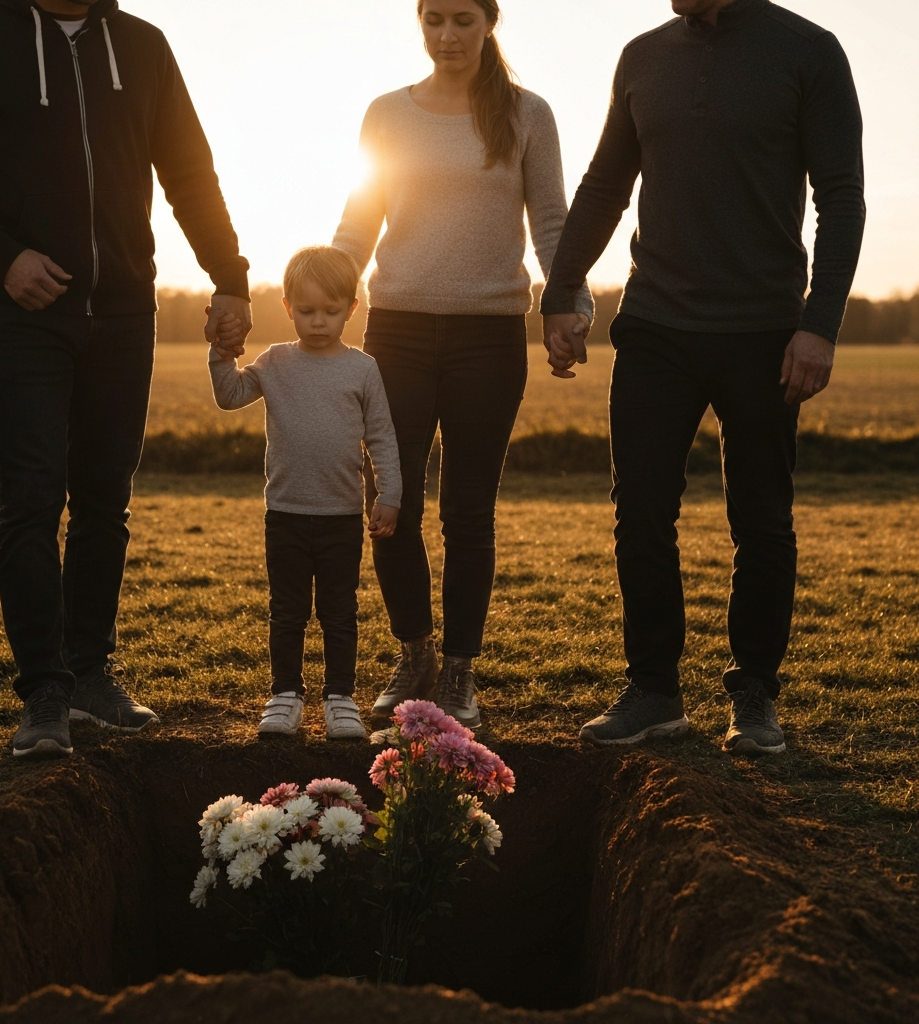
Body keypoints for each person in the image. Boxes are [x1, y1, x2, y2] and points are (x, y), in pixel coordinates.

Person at [0, 0, 252, 759]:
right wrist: (2, 255)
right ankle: (45, 694)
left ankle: (90, 674)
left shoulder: (144, 47)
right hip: (23, 313)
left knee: (105, 502)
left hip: (126, 313)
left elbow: (189, 173)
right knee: (31, 499)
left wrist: (228, 276)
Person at [540, 0, 866, 754]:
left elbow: (840, 196)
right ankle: (652, 689)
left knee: (760, 518)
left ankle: (754, 693)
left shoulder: (809, 52)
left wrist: (820, 323)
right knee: (642, 510)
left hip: (765, 330)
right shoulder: (642, 56)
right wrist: (561, 291)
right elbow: (603, 185)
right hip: (656, 323)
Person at [333, 0, 595, 731]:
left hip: (489, 335)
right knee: (391, 502)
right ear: (420, 23)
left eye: (463, 21)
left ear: (489, 24)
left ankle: (458, 673)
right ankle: (413, 652)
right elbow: (360, 220)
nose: (448, 35)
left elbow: (550, 221)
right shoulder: (387, 112)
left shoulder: (527, 115)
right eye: (435, 20)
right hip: (398, 332)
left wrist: (567, 302)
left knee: (468, 509)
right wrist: (327, 284)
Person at [209, 247, 402, 741]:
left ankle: (340, 698)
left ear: (351, 308)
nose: (319, 322)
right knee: (288, 609)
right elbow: (230, 396)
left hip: (341, 517)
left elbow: (381, 435)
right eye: (308, 311)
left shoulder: (363, 369)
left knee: (339, 611)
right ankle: (285, 696)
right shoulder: (275, 362)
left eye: (331, 312)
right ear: (288, 306)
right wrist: (221, 352)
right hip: (286, 514)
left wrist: (389, 494)